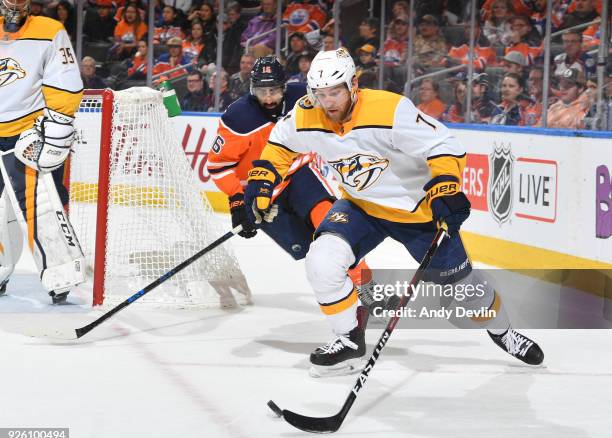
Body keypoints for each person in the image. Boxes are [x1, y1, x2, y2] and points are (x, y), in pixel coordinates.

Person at [244, 49, 544, 375]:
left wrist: (444, 186)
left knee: (464, 287)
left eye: (335, 92)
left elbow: (442, 144)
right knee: (322, 261)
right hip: (360, 206)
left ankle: (503, 331)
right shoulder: (307, 113)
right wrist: (262, 181)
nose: (327, 102)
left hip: (417, 213)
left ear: (353, 85)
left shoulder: (390, 109)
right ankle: (347, 338)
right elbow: (280, 146)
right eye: (320, 94)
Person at [206, 57, 373, 368]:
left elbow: (344, 106)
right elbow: (218, 166)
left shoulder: (303, 97)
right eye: (261, 91)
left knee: (331, 226)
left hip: (298, 174)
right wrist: (238, 201)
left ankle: (366, 287)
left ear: (285, 87)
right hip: (264, 194)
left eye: (274, 91)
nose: (269, 98)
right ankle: (347, 298)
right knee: (313, 254)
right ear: (251, 88)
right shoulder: (238, 117)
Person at [0, 0, 86, 302]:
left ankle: (61, 274)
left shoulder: (50, 31)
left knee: (41, 206)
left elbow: (65, 84)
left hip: (26, 135)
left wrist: (59, 126)